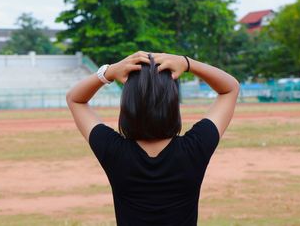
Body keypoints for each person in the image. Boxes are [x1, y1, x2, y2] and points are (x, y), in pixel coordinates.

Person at [66, 51, 240, 226]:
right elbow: (230, 88)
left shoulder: (114, 151)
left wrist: (109, 71)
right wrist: (187, 63)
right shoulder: (194, 148)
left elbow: (75, 99)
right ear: (172, 103)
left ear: (127, 104)